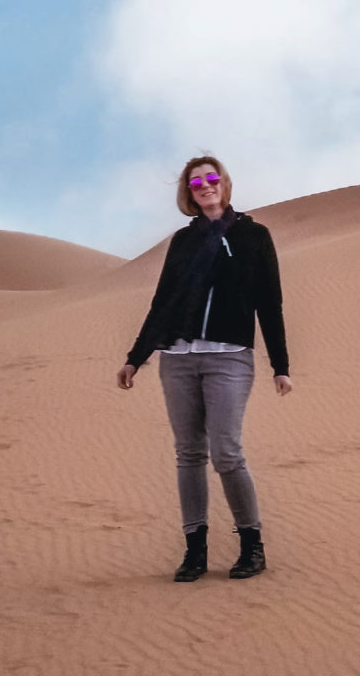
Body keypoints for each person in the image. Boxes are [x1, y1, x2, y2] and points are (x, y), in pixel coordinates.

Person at [116, 154, 292, 582]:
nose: (206, 185)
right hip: (177, 359)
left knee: (226, 452)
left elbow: (269, 302)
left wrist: (280, 364)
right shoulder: (183, 241)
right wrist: (136, 357)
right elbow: (163, 302)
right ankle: (195, 550)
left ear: (225, 184)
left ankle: (252, 546)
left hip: (229, 357)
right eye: (196, 183)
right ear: (188, 193)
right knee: (188, 454)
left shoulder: (253, 236)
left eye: (212, 178)